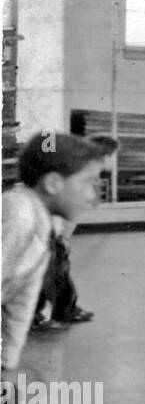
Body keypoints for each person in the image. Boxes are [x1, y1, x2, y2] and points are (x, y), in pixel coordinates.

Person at [2, 133, 104, 372]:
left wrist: (6, 364)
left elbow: (20, 304)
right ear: (53, 183)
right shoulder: (19, 216)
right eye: (88, 182)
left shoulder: (41, 225)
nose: (93, 198)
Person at [31, 135, 119, 332]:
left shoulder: (83, 172)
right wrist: (60, 236)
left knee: (52, 271)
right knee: (53, 272)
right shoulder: (76, 173)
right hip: (49, 228)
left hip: (52, 229)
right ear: (103, 156)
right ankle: (54, 312)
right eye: (111, 156)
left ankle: (57, 311)